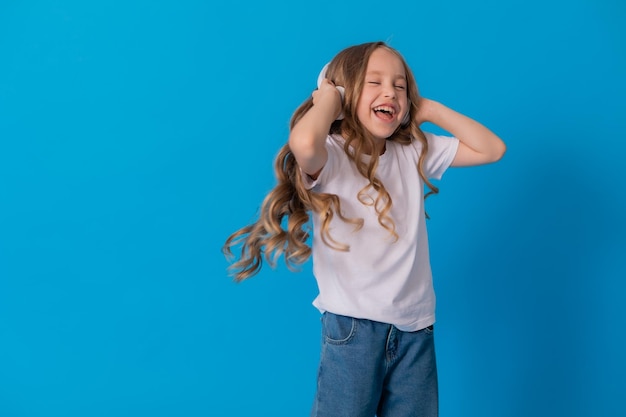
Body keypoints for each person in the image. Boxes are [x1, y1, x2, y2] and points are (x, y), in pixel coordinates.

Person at [223, 41, 505, 417]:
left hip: (416, 329)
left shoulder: (413, 150)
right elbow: (304, 142)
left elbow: (492, 149)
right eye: (374, 82)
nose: (391, 91)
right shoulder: (332, 154)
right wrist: (328, 99)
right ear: (344, 94)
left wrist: (430, 109)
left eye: (400, 86)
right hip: (353, 328)